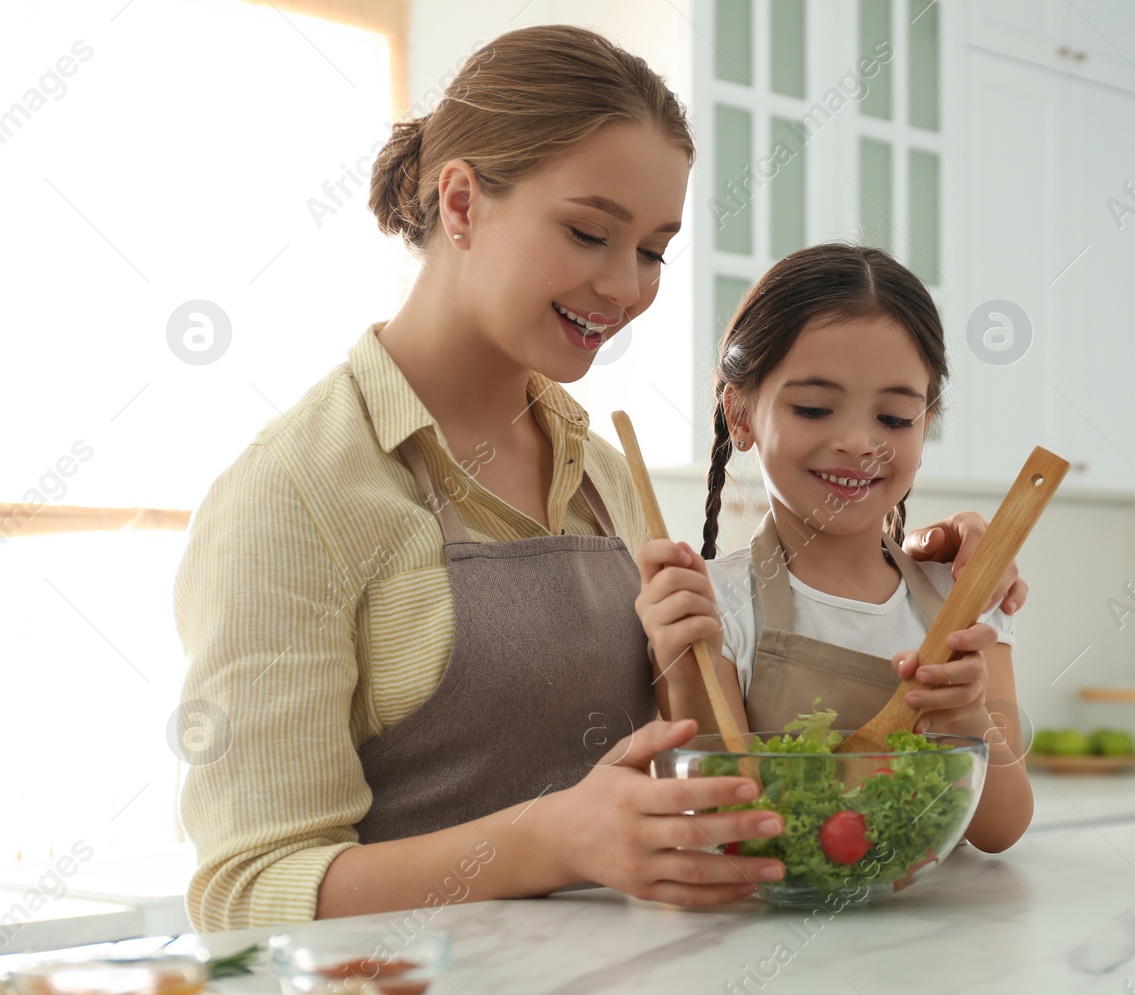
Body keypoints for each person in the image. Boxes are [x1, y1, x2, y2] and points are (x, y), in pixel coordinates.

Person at [175, 26, 1028, 932]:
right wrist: (553, 839)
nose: (625, 288)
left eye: (655, 250)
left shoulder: (610, 482)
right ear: (460, 202)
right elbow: (245, 894)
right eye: (590, 233)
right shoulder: (296, 496)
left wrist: (943, 565)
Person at [635, 244, 1033, 852]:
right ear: (740, 414)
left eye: (896, 419)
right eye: (815, 408)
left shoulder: (963, 597)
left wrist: (967, 719)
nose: (857, 441)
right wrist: (683, 663)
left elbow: (1001, 830)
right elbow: (725, 827)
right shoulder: (713, 606)